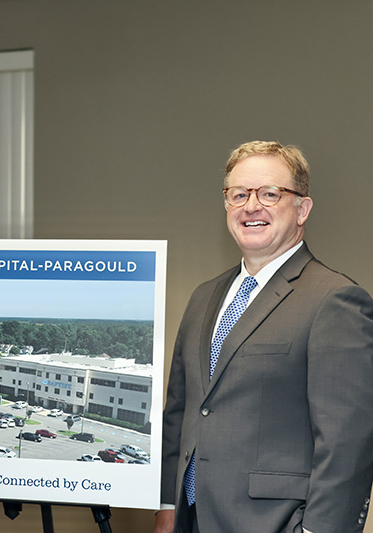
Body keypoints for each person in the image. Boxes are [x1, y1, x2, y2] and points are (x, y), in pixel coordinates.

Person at [154, 141, 373, 533]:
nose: (251, 206)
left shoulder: (334, 300)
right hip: (192, 521)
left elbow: (347, 443)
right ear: (226, 205)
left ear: (302, 208)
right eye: (239, 194)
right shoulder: (204, 296)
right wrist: (167, 508)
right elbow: (180, 411)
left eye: (270, 194)